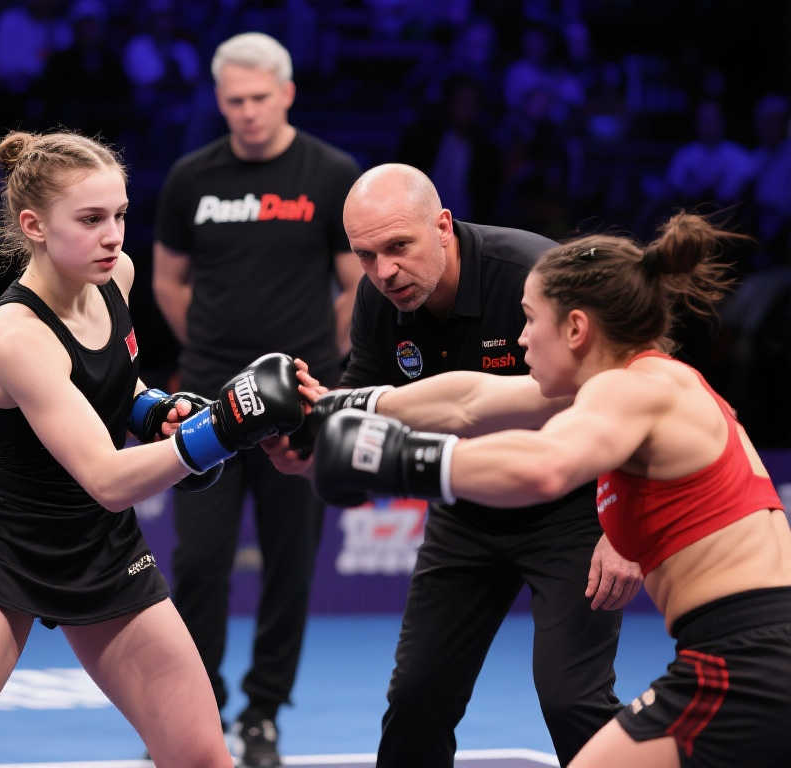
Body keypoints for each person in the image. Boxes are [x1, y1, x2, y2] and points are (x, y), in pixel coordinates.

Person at [310, 212, 791, 768]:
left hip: (746, 662)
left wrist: (397, 459)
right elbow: (471, 399)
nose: (520, 337)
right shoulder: (642, 379)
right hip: (748, 651)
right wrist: (330, 406)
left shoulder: (627, 390)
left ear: (576, 329)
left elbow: (543, 466)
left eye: (530, 318)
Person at [0, 130, 304, 768]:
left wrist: (154, 411)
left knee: (203, 758)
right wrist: (218, 431)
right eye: (90, 220)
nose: (112, 236)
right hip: (6, 549)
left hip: (102, 546)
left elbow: (114, 380)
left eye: (119, 215)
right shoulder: (17, 334)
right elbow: (108, 478)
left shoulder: (117, 277)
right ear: (34, 226)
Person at [268, 163, 640, 767]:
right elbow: (363, 411)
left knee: (572, 699)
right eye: (365, 256)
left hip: (573, 512)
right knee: (416, 700)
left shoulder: (534, 274)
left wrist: (625, 527)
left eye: (398, 247)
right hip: (468, 507)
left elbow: (632, 391)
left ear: (442, 226)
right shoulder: (376, 299)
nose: (384, 272)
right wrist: (305, 450)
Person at [152, 31, 362, 767]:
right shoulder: (191, 178)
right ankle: (197, 709)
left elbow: (356, 282)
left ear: (287, 94)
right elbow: (168, 281)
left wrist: (318, 365)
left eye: (259, 98)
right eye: (235, 100)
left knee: (289, 565)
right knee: (199, 561)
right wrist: (215, 357)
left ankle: (264, 713)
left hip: (301, 403)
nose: (247, 111)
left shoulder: (330, 173)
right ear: (219, 100)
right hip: (207, 400)